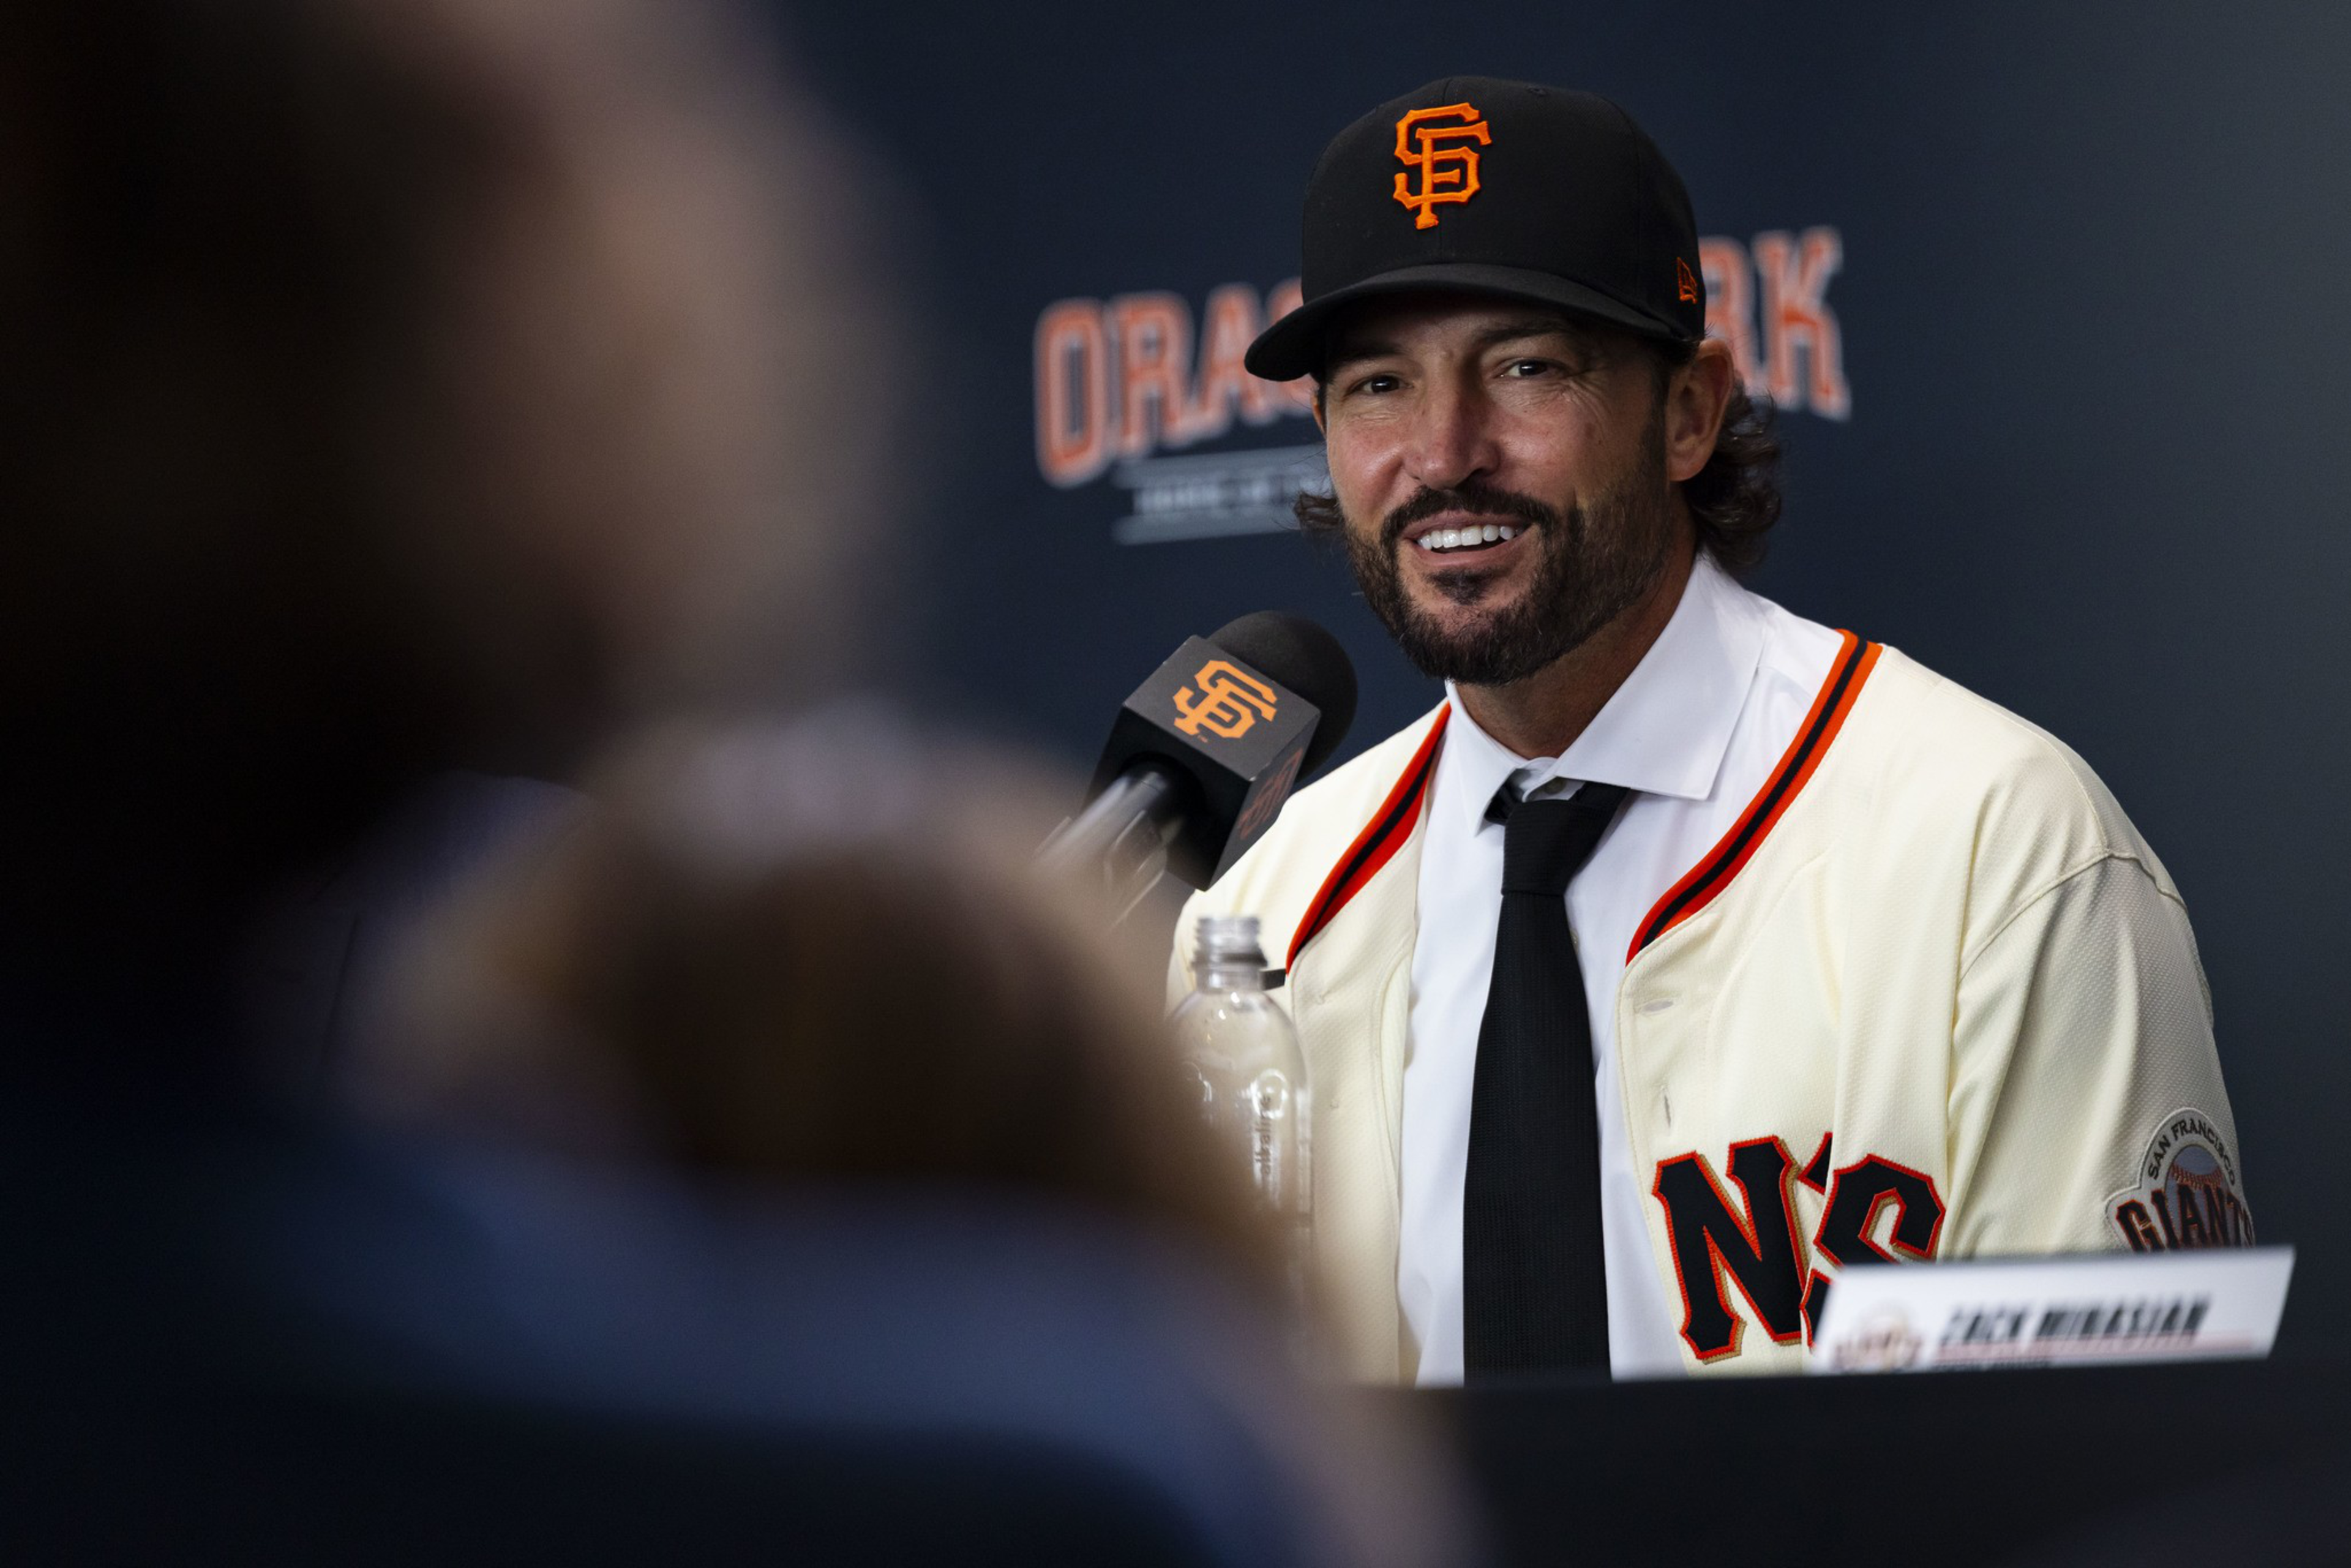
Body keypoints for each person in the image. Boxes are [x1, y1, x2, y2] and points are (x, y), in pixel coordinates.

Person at [1172, 77, 2249, 1385]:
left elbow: (2109, 1471)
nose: (1444, 451)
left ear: (1689, 410)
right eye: (1379, 385)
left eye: (1525, 367)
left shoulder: (1998, 849)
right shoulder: (1266, 926)